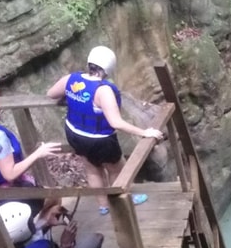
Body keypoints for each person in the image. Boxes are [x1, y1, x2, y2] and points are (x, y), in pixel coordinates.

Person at [46, 46, 165, 215]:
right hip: (99, 140)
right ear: (109, 69)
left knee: (92, 169)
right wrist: (144, 132)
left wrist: (73, 98)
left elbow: (51, 94)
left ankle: (103, 206)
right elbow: (116, 122)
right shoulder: (103, 90)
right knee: (118, 169)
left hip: (74, 134)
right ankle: (122, 200)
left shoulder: (70, 79)